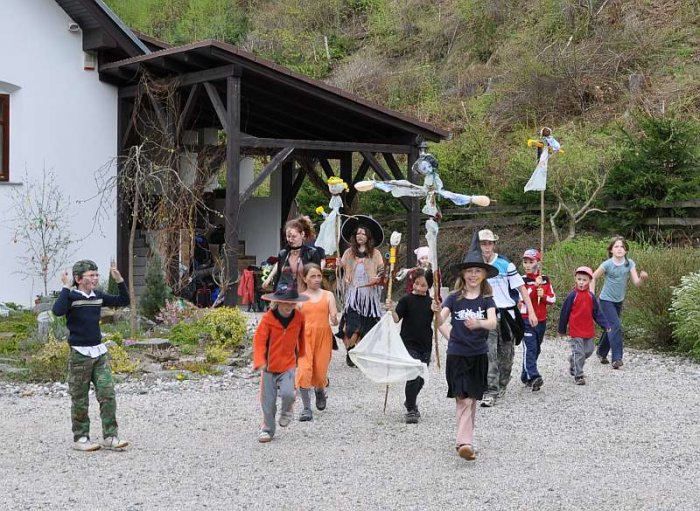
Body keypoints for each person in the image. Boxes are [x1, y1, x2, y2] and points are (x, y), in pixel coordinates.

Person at [52, 259, 130, 452]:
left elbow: (123, 301)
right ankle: (81, 438)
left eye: (97, 275)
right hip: (80, 354)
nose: (95, 278)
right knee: (80, 399)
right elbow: (57, 311)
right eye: (91, 275)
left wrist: (119, 280)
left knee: (107, 394)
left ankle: (110, 436)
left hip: (99, 353)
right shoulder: (71, 297)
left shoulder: (98, 296)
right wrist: (65, 287)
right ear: (79, 279)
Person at [436, 232, 497, 460]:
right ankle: (464, 443)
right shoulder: (454, 298)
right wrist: (437, 315)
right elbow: (439, 322)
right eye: (469, 271)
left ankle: (466, 440)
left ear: (484, 274)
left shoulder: (487, 299)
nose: (473, 275)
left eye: (477, 271)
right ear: (463, 273)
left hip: (478, 355)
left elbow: (492, 322)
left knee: (472, 399)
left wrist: (478, 323)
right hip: (457, 355)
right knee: (464, 398)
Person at [478, 229, 538, 407]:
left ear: (494, 245)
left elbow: (521, 289)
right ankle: (490, 390)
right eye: (483, 243)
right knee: (489, 353)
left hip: (507, 315)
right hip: (486, 315)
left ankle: (502, 383)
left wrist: (531, 311)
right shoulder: (474, 265)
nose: (486, 247)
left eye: (489, 243)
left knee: (506, 356)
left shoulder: (506, 265)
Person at [253, 282, 308, 443]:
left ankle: (287, 410)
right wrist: (260, 361)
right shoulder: (268, 319)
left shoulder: (299, 318)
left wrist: (302, 354)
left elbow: (302, 337)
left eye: (292, 303)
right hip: (269, 366)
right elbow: (259, 341)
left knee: (288, 393)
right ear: (277, 302)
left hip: (288, 364)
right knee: (268, 402)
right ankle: (267, 429)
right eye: (285, 303)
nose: (289, 306)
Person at [386, 268, 439, 424]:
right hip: (408, 344)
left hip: (425, 344)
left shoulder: (431, 303)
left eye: (423, 285)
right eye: (416, 283)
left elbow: (438, 323)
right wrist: (391, 310)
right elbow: (396, 319)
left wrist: (437, 311)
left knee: (421, 377)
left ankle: (410, 400)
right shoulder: (406, 300)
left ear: (429, 286)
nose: (418, 287)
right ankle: (411, 408)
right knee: (414, 374)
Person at [591, 236, 648, 369]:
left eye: (622, 246)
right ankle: (617, 359)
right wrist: (592, 296)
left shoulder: (629, 264)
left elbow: (636, 283)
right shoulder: (607, 264)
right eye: (616, 246)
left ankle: (601, 352)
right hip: (606, 300)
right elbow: (593, 277)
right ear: (611, 250)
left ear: (626, 250)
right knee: (615, 325)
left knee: (610, 326)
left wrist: (642, 278)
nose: (619, 249)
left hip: (618, 301)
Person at [337, 215, 385, 367]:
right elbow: (341, 268)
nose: (360, 236)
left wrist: (377, 278)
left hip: (369, 296)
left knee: (367, 325)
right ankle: (350, 350)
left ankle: (361, 353)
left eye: (363, 233)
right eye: (358, 233)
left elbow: (382, 271)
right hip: (353, 294)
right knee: (351, 325)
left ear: (368, 236)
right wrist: (339, 265)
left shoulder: (375, 253)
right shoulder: (348, 253)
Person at [296, 263, 338, 421]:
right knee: (304, 371)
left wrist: (334, 319)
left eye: (319, 276)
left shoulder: (328, 295)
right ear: (305, 278)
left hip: (323, 337)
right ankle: (306, 408)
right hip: (304, 338)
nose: (317, 279)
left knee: (320, 373)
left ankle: (320, 390)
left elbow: (334, 317)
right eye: (313, 276)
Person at [558, 266, 611, 385]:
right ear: (575, 279)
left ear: (590, 281)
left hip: (588, 330)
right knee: (579, 353)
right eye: (579, 279)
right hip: (575, 330)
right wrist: (562, 329)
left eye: (584, 280)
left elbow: (597, 313)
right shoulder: (572, 296)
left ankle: (573, 360)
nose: (581, 282)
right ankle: (579, 376)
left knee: (588, 351)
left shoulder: (591, 297)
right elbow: (564, 312)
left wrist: (605, 325)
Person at [519, 249, 556, 391]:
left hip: (541, 320)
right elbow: (521, 298)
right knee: (530, 348)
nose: (528, 265)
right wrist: (534, 287)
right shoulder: (521, 280)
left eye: (531, 262)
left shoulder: (545, 279)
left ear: (538, 263)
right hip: (526, 319)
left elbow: (552, 299)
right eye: (525, 262)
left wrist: (543, 295)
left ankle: (526, 376)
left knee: (536, 349)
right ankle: (534, 376)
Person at [263, 215, 323, 293]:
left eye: (294, 236)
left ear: (302, 234)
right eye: (288, 236)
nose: (290, 240)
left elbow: (317, 278)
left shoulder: (311, 253)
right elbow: (279, 272)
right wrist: (269, 278)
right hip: (284, 296)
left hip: (304, 296)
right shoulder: (283, 253)